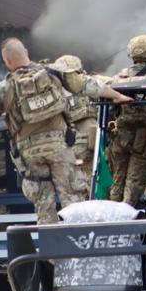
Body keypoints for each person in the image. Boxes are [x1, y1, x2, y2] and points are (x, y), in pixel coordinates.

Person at [0, 38, 132, 223]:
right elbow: (86, 84)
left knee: (43, 205)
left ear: (7, 62)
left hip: (29, 152)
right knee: (73, 199)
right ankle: (78, 244)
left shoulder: (5, 87)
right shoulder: (53, 72)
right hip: (59, 146)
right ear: (26, 51)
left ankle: (50, 247)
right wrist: (117, 96)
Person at [106, 34, 146, 205]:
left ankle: (114, 218)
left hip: (120, 139)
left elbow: (108, 110)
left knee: (117, 182)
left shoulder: (116, 81)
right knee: (134, 186)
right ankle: (125, 216)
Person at [54, 54, 103, 195]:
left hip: (75, 143)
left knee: (78, 185)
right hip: (90, 141)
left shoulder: (54, 90)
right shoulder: (92, 83)